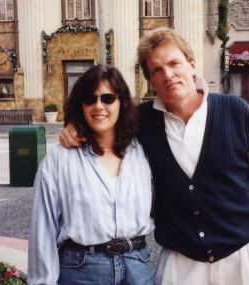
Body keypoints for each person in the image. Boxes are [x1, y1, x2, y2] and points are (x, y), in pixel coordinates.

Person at [59, 28, 249, 285]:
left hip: (242, 258)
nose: (168, 74)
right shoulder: (140, 120)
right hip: (181, 262)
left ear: (191, 65)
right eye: (157, 70)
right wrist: (75, 127)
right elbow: (102, 119)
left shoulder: (236, 111)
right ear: (150, 79)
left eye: (174, 63)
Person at [28, 64, 155, 285]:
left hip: (138, 266)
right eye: (90, 98)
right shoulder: (60, 159)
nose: (98, 106)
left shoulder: (144, 151)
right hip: (82, 270)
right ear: (80, 104)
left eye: (107, 98)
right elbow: (43, 231)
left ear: (121, 102)